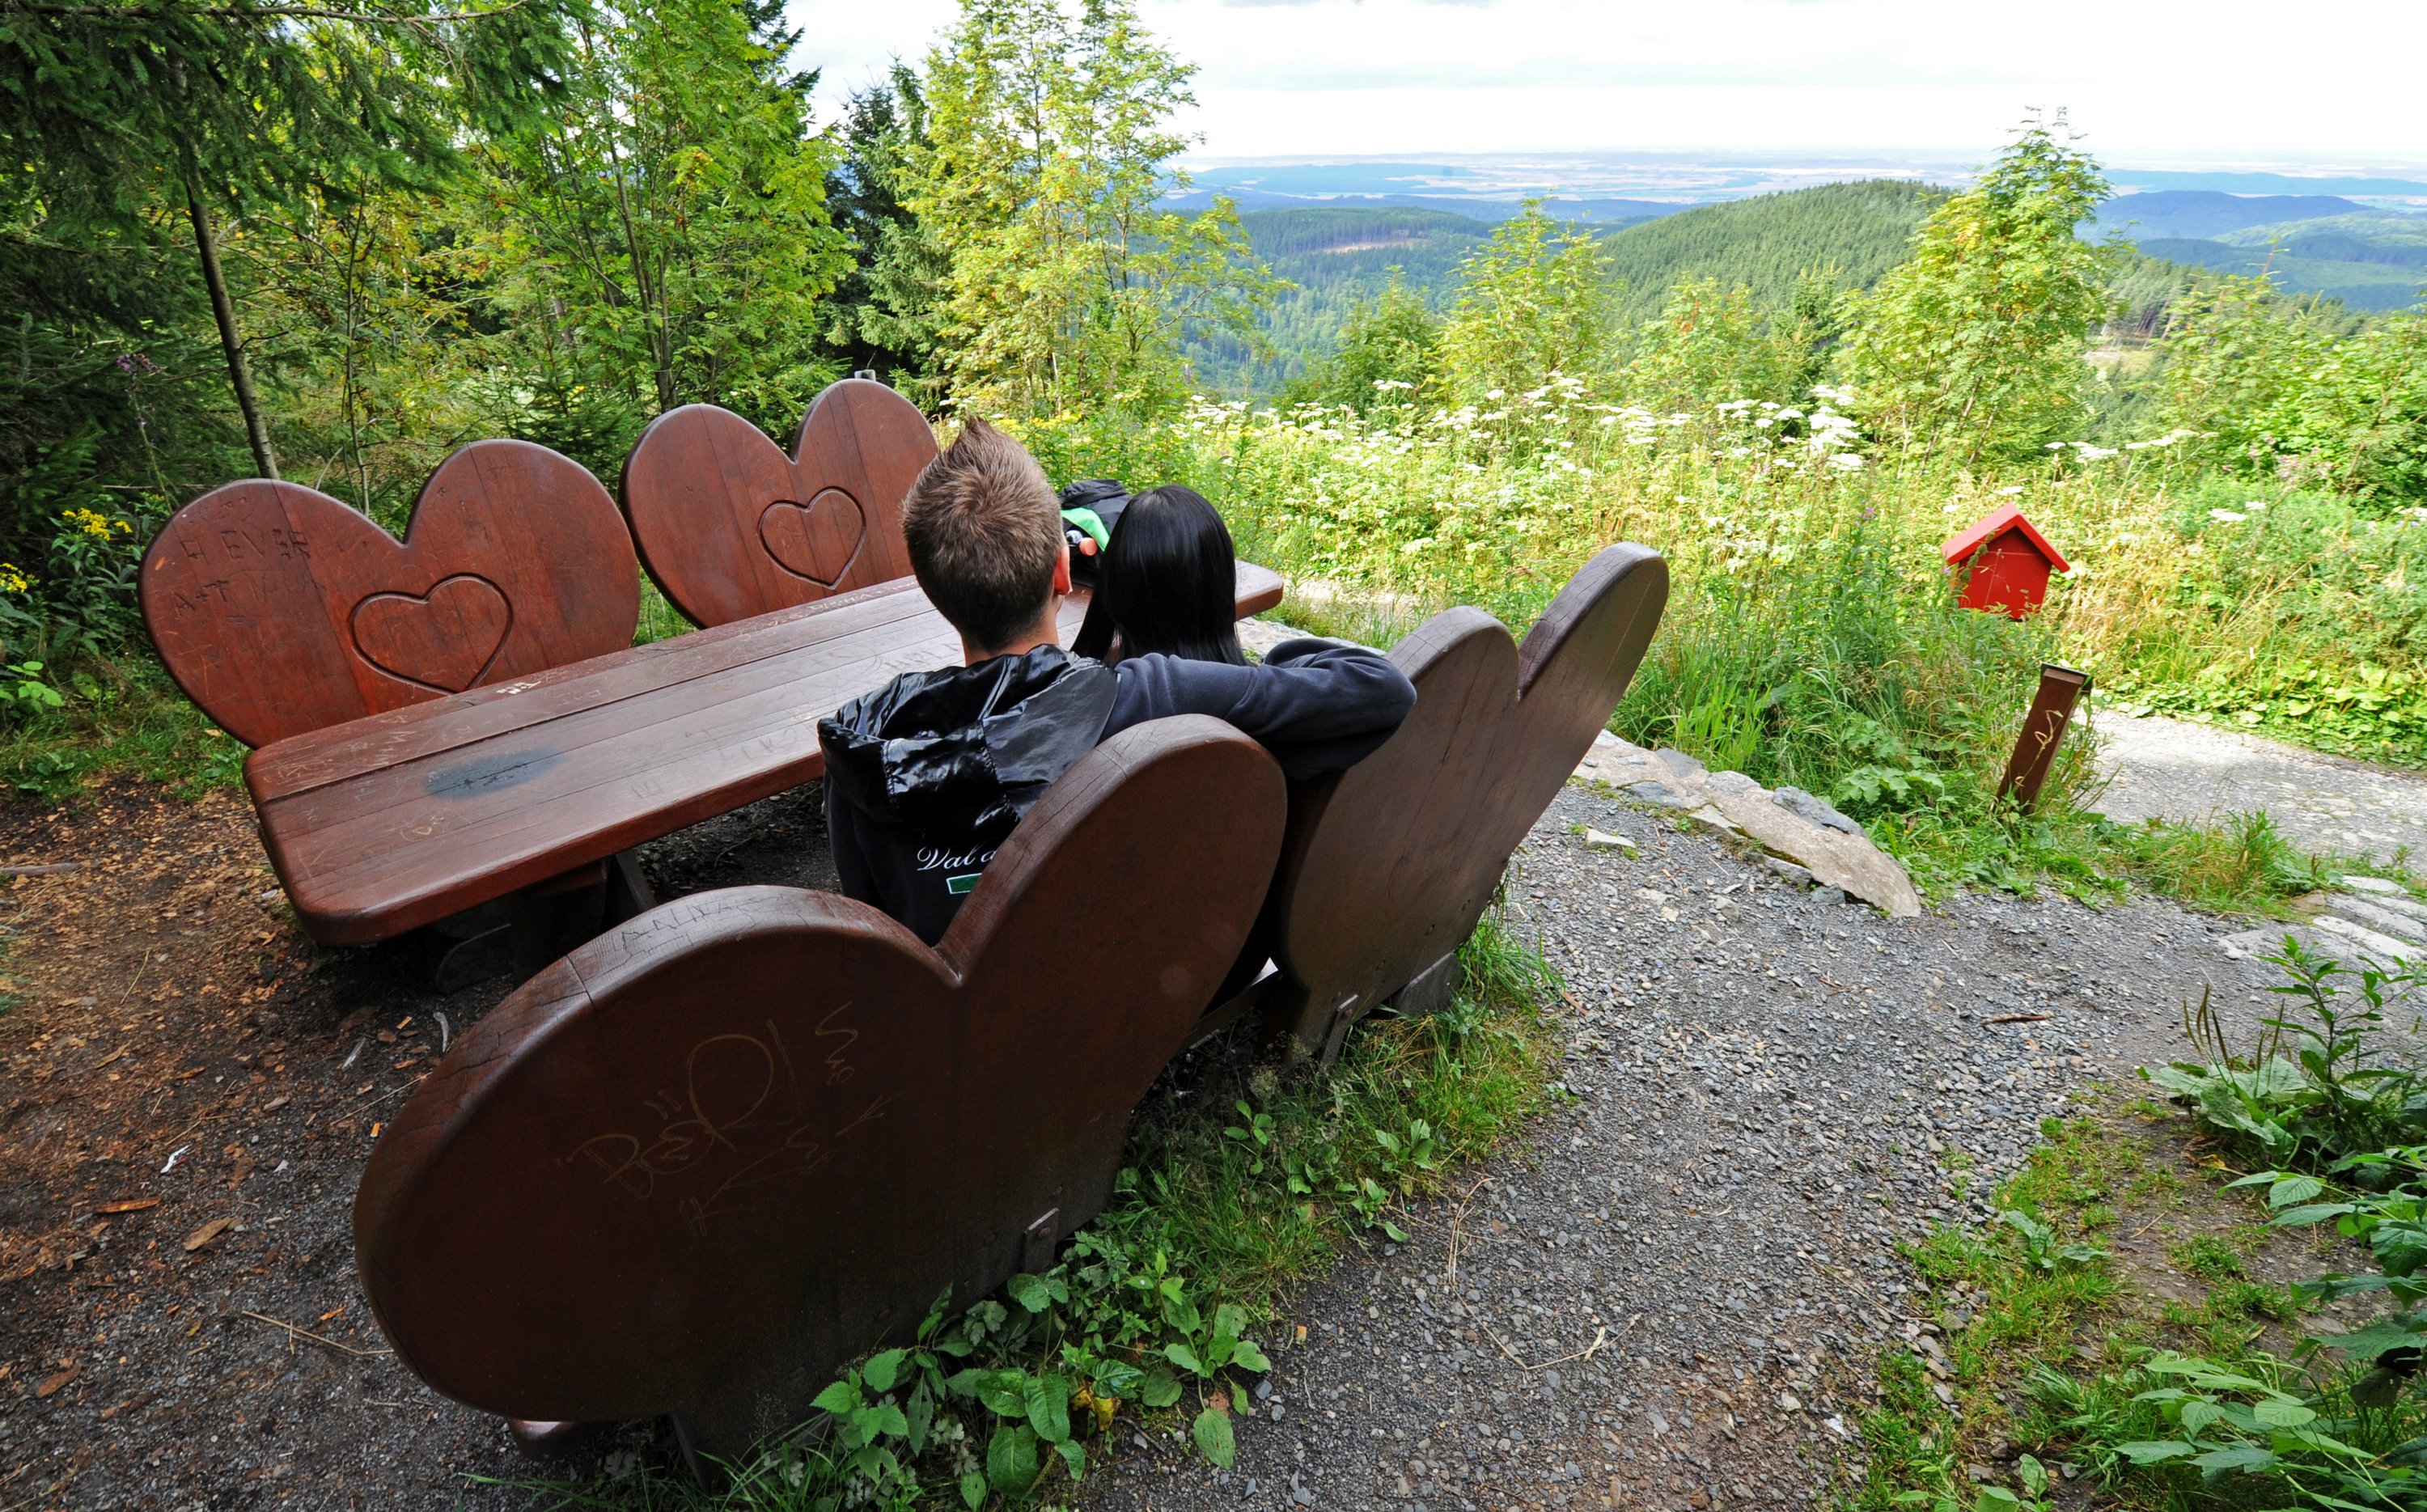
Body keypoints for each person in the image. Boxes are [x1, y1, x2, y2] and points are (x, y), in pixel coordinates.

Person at [819, 420, 1415, 944]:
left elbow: (880, 937)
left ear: (931, 591)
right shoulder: (1152, 693)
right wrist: (1286, 651)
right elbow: (1380, 687)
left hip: (964, 1030)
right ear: (1062, 569)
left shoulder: (865, 753)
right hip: (1116, 998)